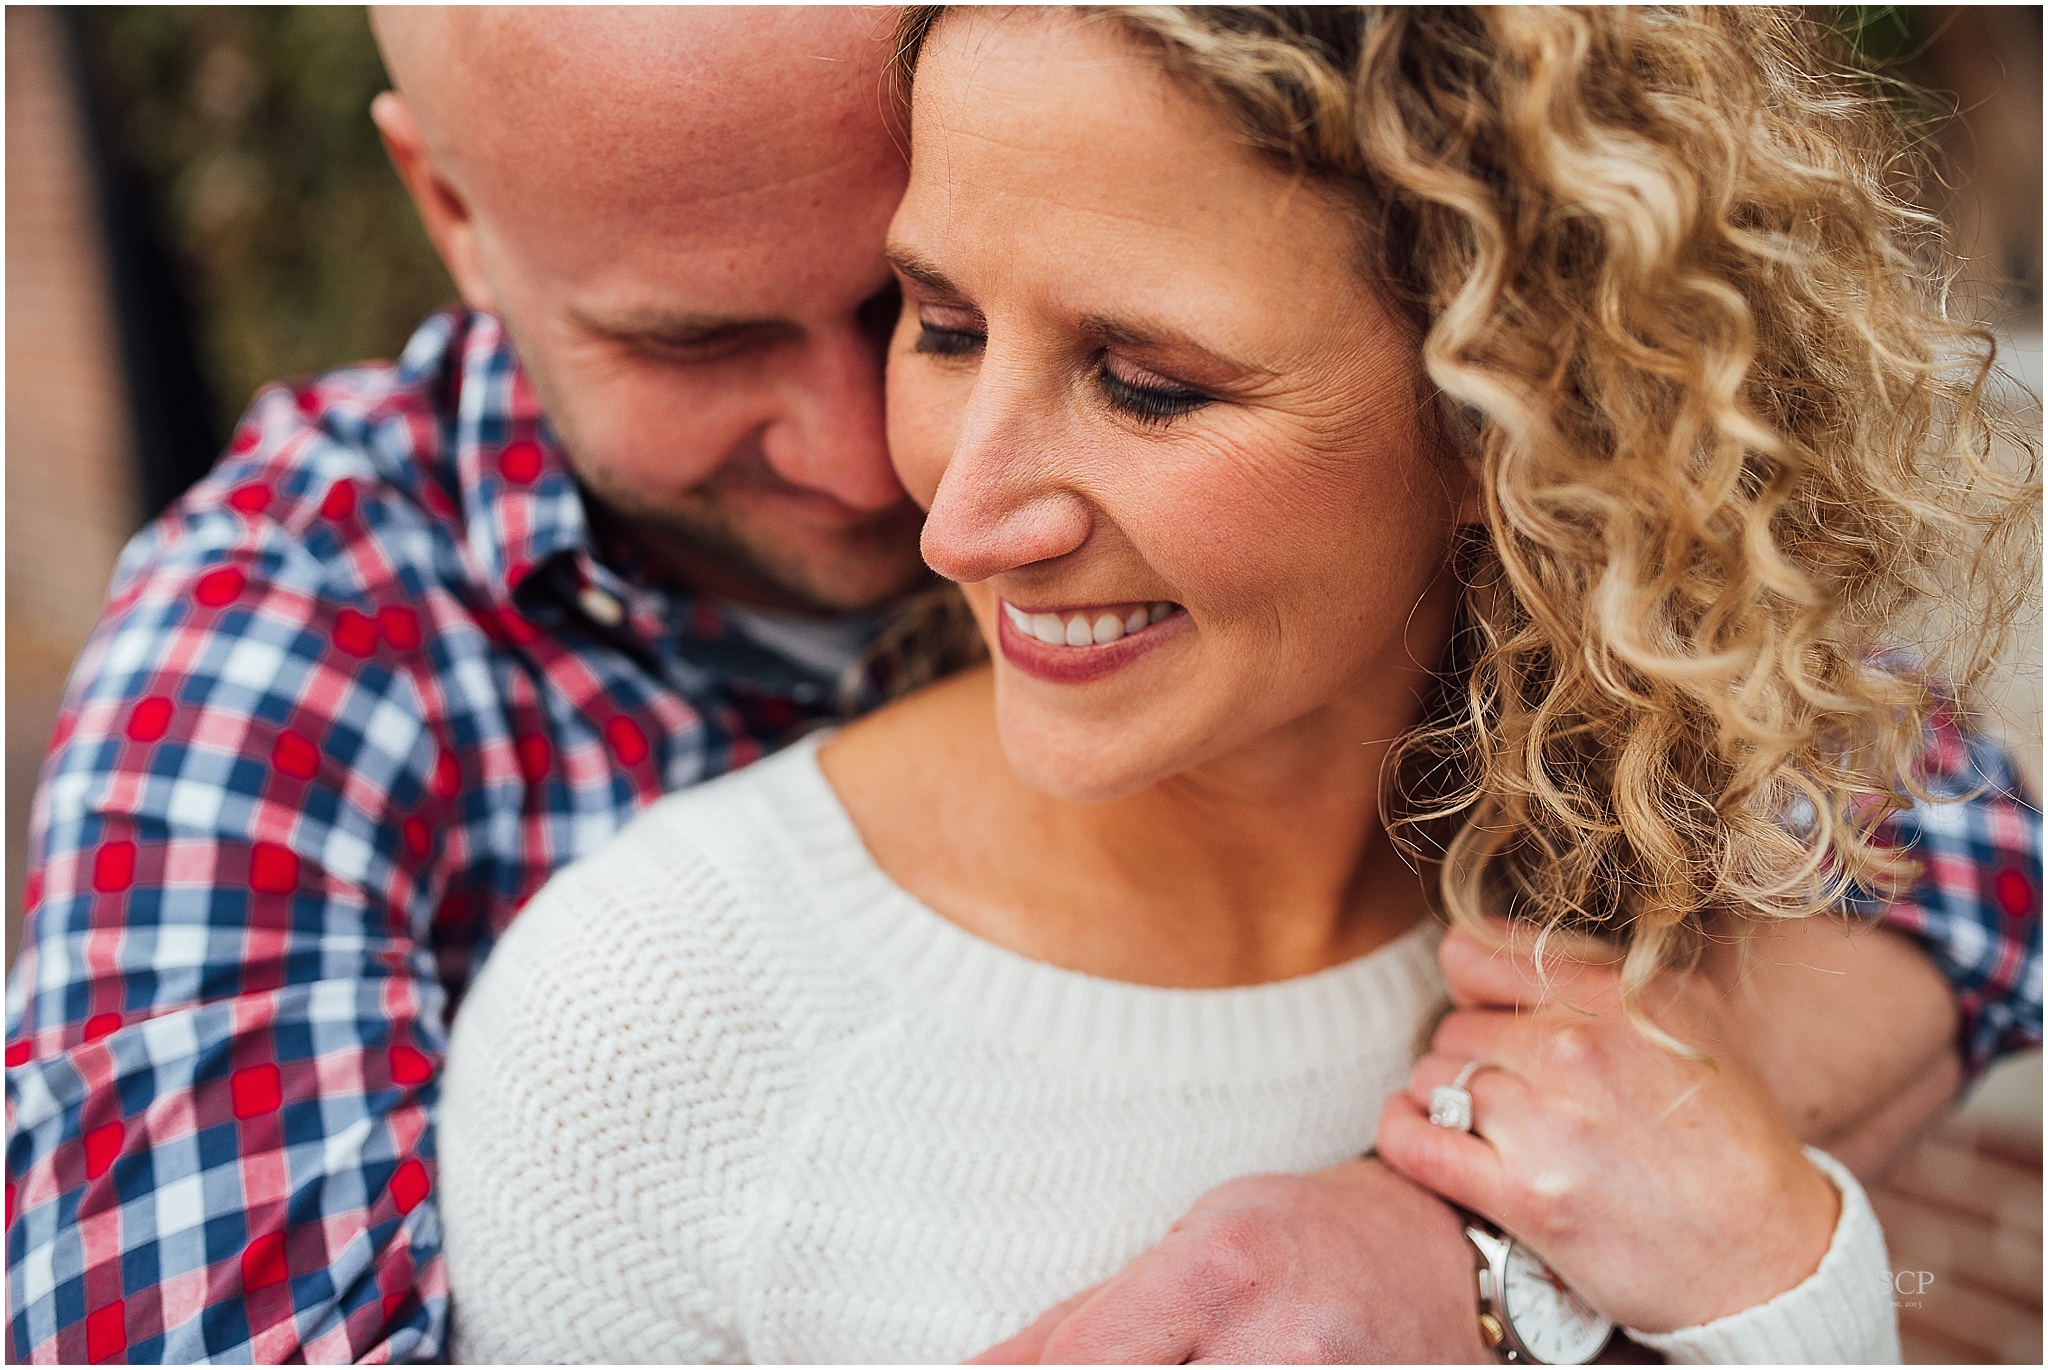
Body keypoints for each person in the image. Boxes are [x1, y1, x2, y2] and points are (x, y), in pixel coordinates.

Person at [3, 5, 2036, 1364]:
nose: (906, 495)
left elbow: (1955, 852)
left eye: (894, 300)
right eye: (696, 343)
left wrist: (1494, 1246)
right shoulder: (295, 666)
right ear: (447, 211)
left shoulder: (1528, 646)